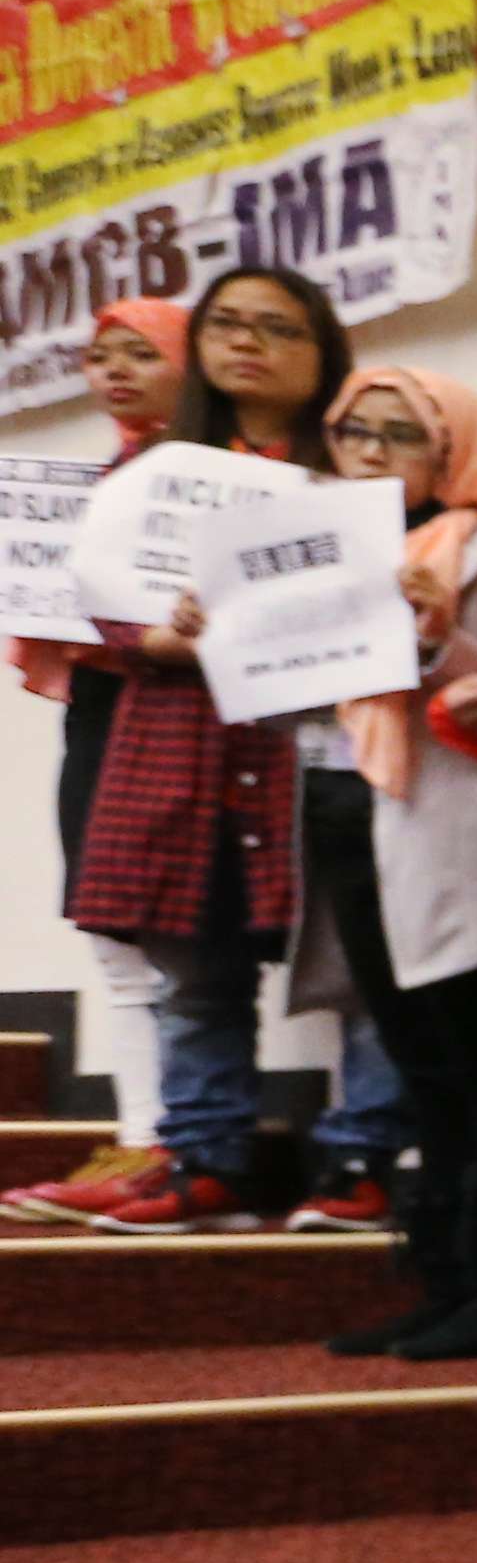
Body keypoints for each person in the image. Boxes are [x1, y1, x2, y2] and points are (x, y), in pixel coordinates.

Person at [50, 265, 349, 1233]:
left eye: (276, 327)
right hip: (182, 744)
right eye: (226, 324)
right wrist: (153, 639)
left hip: (316, 745)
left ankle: (368, 1163)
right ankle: (205, 1162)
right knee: (197, 976)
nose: (246, 342)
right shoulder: (145, 474)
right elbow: (94, 607)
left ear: (323, 352)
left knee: (360, 968)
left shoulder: (358, 459)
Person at [311, 366, 477, 1362]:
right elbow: (312, 700)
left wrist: (438, 631)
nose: (369, 453)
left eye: (399, 434)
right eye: (351, 431)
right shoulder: (328, 554)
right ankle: (447, 1278)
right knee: (427, 1070)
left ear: (452, 446)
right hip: (386, 831)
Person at [6, 301, 195, 1223]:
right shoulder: (94, 479)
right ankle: (141, 1130)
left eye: (142, 353)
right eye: (99, 355)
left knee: (193, 944)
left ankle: (190, 1140)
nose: (114, 371)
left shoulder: (220, 477)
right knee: (105, 925)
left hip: (191, 711)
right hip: (103, 706)